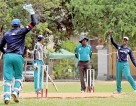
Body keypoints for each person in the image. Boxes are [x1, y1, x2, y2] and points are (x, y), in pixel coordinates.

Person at [0, 4, 36, 104]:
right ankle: (15, 91)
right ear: (19, 25)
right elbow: (34, 22)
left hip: (8, 56)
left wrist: (5, 52)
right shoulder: (22, 31)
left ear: (12, 25)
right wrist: (31, 12)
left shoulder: (6, 34)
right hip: (18, 56)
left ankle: (6, 97)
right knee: (18, 77)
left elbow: (0, 45)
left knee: (7, 78)